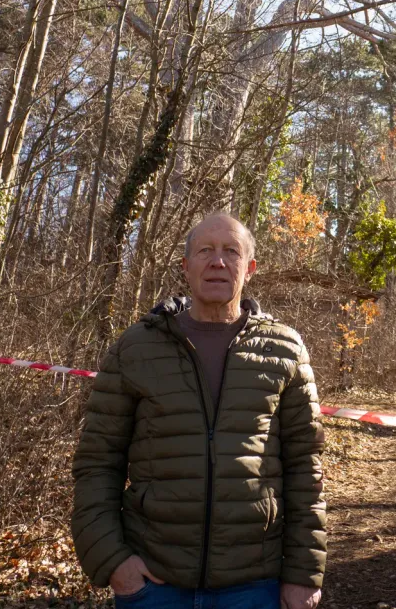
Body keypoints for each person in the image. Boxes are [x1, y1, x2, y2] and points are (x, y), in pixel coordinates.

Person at [71, 213, 327, 609]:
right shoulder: (136, 347)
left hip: (254, 584)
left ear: (250, 269)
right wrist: (112, 560)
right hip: (154, 582)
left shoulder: (285, 349)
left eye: (231, 252)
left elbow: (305, 467)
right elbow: (97, 461)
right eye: (205, 250)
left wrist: (303, 573)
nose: (218, 261)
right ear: (185, 266)